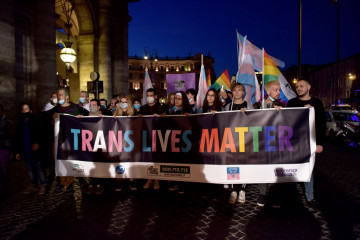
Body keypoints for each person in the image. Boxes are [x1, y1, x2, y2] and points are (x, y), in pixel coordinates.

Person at [287, 79, 326, 208]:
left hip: (310, 141)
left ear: (309, 87)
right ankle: (292, 197)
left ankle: (310, 197)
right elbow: (286, 119)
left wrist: (319, 143)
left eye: (301, 86)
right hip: (294, 141)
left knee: (308, 169)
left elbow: (321, 124)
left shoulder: (317, 103)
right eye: (297, 87)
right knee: (292, 170)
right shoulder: (292, 102)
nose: (299, 88)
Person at [255, 81, 283, 207]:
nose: (278, 92)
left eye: (279, 90)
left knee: (274, 168)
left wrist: (281, 111)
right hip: (261, 142)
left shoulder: (281, 105)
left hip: (275, 142)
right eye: (276, 90)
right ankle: (262, 193)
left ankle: (273, 193)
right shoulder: (259, 105)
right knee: (262, 168)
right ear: (268, 92)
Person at [51, 87, 84, 193]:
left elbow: (81, 123)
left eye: (60, 95)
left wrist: (79, 119)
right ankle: (61, 183)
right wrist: (53, 118)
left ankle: (69, 183)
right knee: (59, 161)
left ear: (67, 97)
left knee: (70, 161)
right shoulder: (55, 110)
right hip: (57, 139)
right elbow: (50, 125)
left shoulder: (75, 108)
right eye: (57, 95)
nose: (58, 97)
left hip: (70, 139)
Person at [15, 103, 47, 195]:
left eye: (26, 109)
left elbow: (41, 133)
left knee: (40, 167)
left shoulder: (36, 120)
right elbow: (17, 138)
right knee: (30, 169)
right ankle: (34, 185)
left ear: (31, 110)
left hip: (36, 149)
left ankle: (43, 185)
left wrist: (38, 143)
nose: (24, 111)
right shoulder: (20, 123)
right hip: (26, 149)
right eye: (22, 109)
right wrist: (17, 151)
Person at [225, 83, 248, 204]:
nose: (237, 92)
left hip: (245, 139)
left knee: (244, 164)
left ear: (243, 92)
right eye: (235, 90)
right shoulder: (228, 106)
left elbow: (255, 120)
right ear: (232, 92)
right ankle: (233, 190)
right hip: (232, 139)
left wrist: (247, 114)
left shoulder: (248, 105)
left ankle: (243, 189)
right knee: (232, 163)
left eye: (240, 90)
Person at [140, 88, 165, 190]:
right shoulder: (143, 108)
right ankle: (149, 179)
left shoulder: (160, 107)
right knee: (148, 158)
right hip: (147, 137)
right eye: (147, 95)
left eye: (151, 95)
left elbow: (165, 117)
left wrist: (160, 116)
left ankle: (157, 180)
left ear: (155, 96)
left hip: (158, 137)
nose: (149, 97)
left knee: (157, 158)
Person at [166, 91, 191, 194]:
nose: (177, 100)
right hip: (172, 141)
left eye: (179, 99)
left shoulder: (188, 111)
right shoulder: (170, 111)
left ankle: (183, 184)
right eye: (175, 98)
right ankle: (176, 182)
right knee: (174, 162)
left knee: (183, 163)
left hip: (184, 142)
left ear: (183, 100)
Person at [113, 96, 137, 191]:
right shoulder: (116, 113)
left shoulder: (134, 113)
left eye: (125, 102)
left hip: (131, 142)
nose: (123, 103)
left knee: (131, 161)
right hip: (119, 141)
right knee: (119, 161)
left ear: (129, 103)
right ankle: (119, 180)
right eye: (121, 102)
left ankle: (132, 180)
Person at [0, 104, 11, 198]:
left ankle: (6, 191)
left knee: (4, 170)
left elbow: (7, 134)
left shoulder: (6, 121)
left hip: (4, 148)